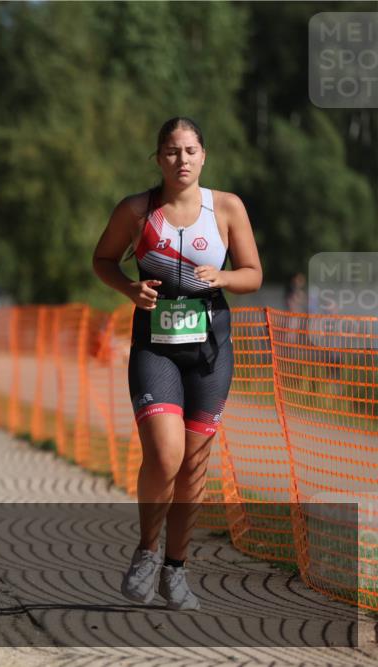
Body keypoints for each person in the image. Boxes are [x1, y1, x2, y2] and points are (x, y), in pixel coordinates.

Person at [92, 117, 262, 610]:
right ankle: (147, 552)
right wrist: (129, 288)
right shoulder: (137, 210)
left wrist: (223, 278)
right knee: (165, 456)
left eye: (189, 150)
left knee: (193, 467)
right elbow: (103, 260)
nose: (181, 160)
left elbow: (253, 274)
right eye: (171, 151)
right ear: (158, 158)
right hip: (156, 347)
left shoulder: (226, 208)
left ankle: (176, 568)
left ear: (203, 155)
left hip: (210, 350)